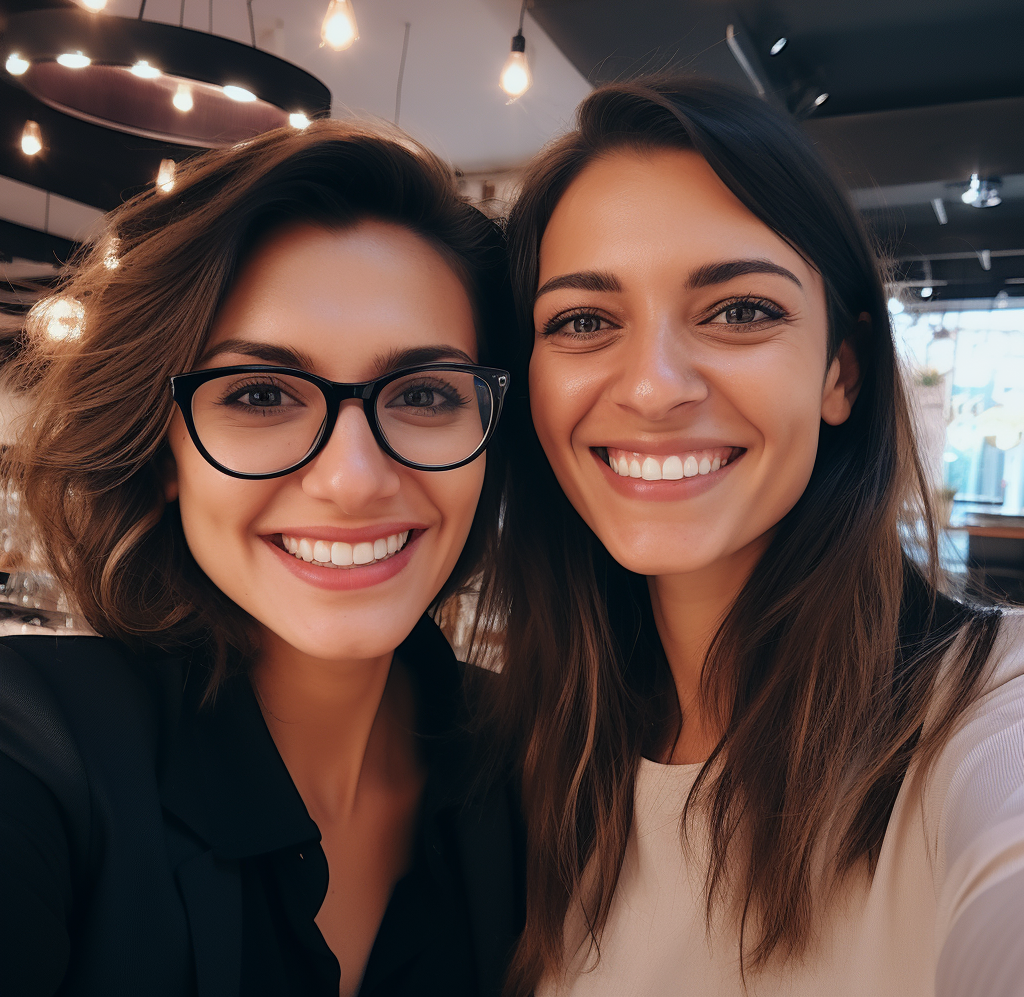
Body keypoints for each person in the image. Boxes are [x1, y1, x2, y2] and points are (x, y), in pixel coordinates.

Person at [479, 77, 1024, 997]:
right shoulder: (534, 750)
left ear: (840, 373)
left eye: (740, 312)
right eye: (582, 321)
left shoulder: (981, 718)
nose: (653, 388)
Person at [0, 121, 523, 997]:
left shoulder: (542, 761)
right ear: (162, 454)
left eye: (427, 394)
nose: (354, 480)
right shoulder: (38, 750)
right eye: (259, 394)